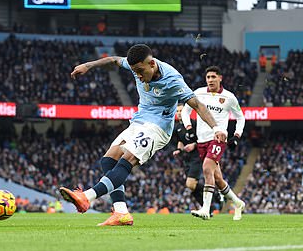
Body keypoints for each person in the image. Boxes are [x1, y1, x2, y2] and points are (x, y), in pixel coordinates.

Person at [59, 44, 227, 225]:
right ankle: (121, 213)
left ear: (152, 64)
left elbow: (198, 105)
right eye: (134, 71)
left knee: (128, 159)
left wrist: (216, 128)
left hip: (158, 128)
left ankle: (87, 197)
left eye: (140, 71)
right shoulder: (136, 66)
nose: (138, 75)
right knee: (108, 160)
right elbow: (114, 60)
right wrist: (88, 65)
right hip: (139, 121)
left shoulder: (173, 80)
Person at [181, 65, 246, 221]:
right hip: (202, 140)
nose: (210, 80)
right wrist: (188, 127)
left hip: (218, 138)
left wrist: (236, 136)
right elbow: (185, 111)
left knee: (206, 168)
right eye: (208, 77)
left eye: (213, 77)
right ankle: (238, 203)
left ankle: (205, 209)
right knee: (217, 178)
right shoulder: (198, 93)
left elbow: (240, 117)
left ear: (220, 78)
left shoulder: (229, 97)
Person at [172, 105, 222, 214]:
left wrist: (194, 145)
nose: (179, 113)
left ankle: (214, 193)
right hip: (186, 158)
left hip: (197, 156)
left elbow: (202, 139)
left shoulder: (194, 124)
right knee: (192, 187)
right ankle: (208, 208)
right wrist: (178, 150)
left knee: (190, 184)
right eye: (177, 111)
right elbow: (180, 141)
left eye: (181, 110)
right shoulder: (177, 127)